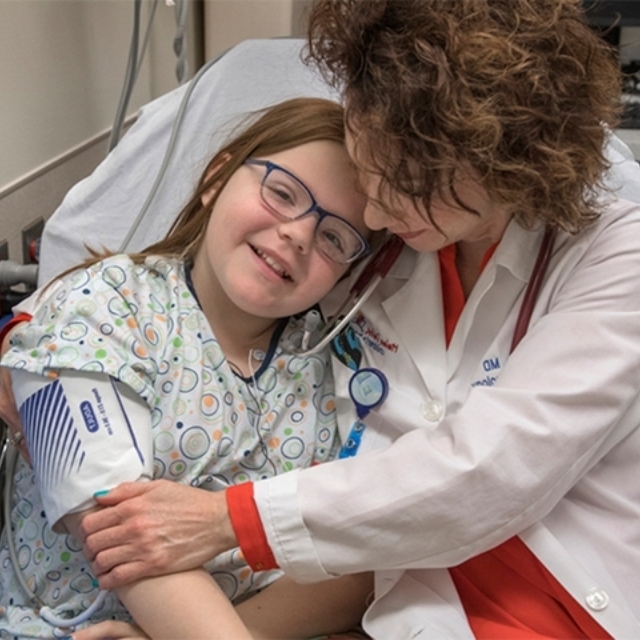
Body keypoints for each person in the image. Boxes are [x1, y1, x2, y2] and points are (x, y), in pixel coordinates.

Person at [4, 1, 640, 638]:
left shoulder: (611, 256)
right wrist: (36, 338)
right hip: (392, 597)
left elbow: (488, 472)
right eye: (373, 168)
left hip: (556, 594)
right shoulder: (375, 237)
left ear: (507, 171)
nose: (379, 212)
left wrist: (228, 522)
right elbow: (123, 294)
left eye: (412, 185)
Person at [0, 96, 375, 639]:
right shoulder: (102, 306)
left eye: (335, 237)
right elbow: (118, 531)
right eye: (282, 193)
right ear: (216, 180)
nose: (298, 234)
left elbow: (357, 564)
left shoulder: (333, 365)